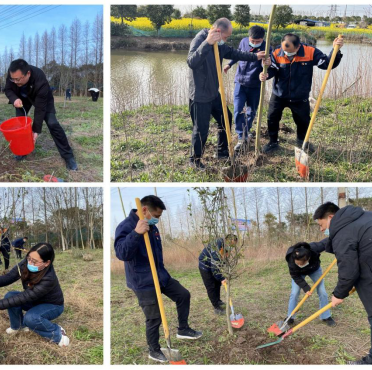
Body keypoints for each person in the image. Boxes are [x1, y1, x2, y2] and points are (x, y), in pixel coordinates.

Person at [115, 195, 202, 363]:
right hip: (143, 281)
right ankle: (154, 350)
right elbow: (121, 254)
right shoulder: (126, 226)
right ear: (145, 210)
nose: (158, 220)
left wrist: (162, 273)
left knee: (183, 295)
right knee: (154, 317)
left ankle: (183, 329)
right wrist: (136, 234)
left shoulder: (152, 226)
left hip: (160, 275)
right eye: (157, 216)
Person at [187, 18, 268, 170]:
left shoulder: (220, 44)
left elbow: (233, 52)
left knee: (226, 118)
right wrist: (208, 43)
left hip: (213, 92)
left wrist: (255, 56)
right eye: (226, 37)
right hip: (199, 94)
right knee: (201, 129)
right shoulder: (200, 40)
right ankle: (195, 160)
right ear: (217, 32)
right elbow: (192, 62)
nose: (227, 39)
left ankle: (221, 151)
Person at [313, 202, 372, 365]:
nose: (321, 230)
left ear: (331, 217)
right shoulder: (366, 217)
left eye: (321, 224)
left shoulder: (343, 232)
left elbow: (348, 268)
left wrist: (339, 294)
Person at [259, 34, 344, 154]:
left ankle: (302, 142)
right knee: (272, 117)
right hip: (279, 93)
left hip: (300, 95)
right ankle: (273, 142)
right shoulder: (277, 52)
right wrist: (266, 74)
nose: (286, 54)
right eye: (284, 51)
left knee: (303, 121)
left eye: (290, 52)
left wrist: (336, 50)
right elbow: (272, 69)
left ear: (298, 47)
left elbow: (327, 64)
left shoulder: (310, 51)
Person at [0, 243, 70, 347]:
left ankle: (57, 333)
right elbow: (9, 277)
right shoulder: (25, 263)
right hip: (35, 301)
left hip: (52, 305)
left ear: (46, 263)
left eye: (34, 261)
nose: (30, 262)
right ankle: (18, 326)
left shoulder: (48, 278)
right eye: (29, 258)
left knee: (31, 318)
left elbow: (25, 296)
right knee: (10, 295)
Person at [5, 59, 78, 171]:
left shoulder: (40, 78)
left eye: (18, 79)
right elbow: (8, 89)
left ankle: (68, 156)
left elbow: (40, 109)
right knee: (21, 124)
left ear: (28, 74)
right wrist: (14, 99)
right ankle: (23, 151)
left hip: (42, 99)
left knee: (52, 123)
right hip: (22, 99)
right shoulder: (12, 74)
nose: (15, 81)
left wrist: (36, 130)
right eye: (13, 79)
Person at [223, 25, 270, 153]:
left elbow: (270, 66)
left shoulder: (267, 47)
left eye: (257, 41)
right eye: (252, 41)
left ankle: (246, 132)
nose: (254, 43)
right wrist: (229, 64)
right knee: (238, 109)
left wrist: (266, 66)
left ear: (263, 39)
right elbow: (237, 55)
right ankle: (241, 136)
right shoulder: (244, 41)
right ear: (248, 37)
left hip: (255, 84)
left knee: (251, 110)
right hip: (240, 82)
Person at [284, 242, 336, 326]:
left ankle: (326, 316)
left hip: (314, 270)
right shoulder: (291, 259)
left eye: (301, 264)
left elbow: (328, 241)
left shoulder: (314, 248)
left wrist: (340, 249)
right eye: (297, 263)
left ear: (308, 259)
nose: (298, 265)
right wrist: (306, 288)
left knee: (322, 292)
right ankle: (290, 317)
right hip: (298, 274)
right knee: (294, 293)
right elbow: (295, 276)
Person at [198, 235, 237, 315]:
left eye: (234, 245)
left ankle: (218, 301)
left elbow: (222, 260)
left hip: (213, 265)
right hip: (205, 266)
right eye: (232, 244)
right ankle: (216, 307)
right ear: (228, 241)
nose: (232, 247)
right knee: (211, 286)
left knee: (217, 283)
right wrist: (221, 278)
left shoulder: (225, 247)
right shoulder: (217, 245)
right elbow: (214, 266)